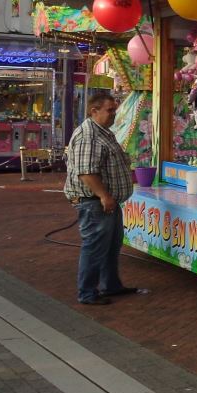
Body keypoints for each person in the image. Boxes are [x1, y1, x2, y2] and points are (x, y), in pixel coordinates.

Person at [64, 91, 143, 305]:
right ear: (94, 111)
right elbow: (86, 172)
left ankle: (111, 285)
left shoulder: (104, 132)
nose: (114, 115)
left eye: (114, 110)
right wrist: (104, 195)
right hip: (95, 202)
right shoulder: (88, 135)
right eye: (110, 110)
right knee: (95, 246)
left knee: (111, 245)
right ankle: (87, 292)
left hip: (108, 201)